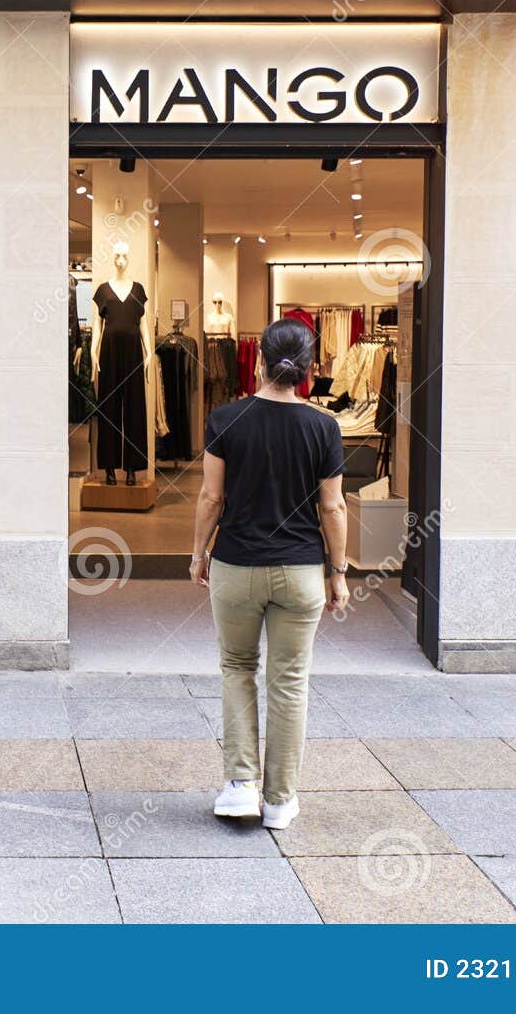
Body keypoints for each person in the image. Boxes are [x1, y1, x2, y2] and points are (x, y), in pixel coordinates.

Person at [190, 317, 350, 830]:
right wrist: (339, 572)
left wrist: (198, 554)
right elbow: (333, 508)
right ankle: (280, 799)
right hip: (302, 571)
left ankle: (241, 785)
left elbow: (212, 496)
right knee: (290, 681)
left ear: (259, 361)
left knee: (238, 668)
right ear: (309, 370)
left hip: (236, 565)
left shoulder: (226, 418)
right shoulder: (324, 427)